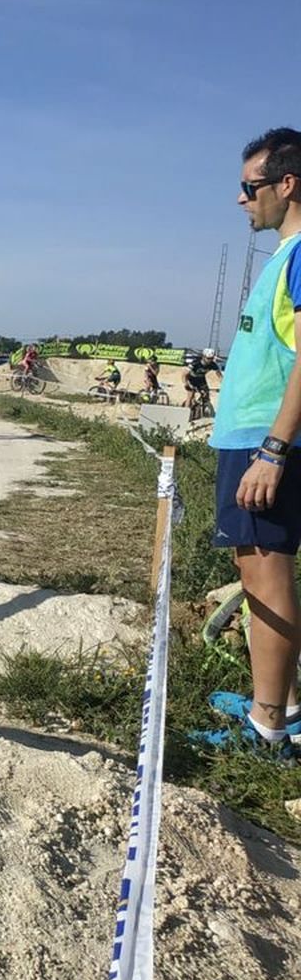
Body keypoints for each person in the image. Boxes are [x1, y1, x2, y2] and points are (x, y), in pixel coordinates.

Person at [194, 127, 301, 755]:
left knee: (267, 572)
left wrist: (274, 449)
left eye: (250, 186)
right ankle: (282, 702)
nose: (241, 199)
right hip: (249, 439)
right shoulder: (283, 258)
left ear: (288, 184)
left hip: (267, 444)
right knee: (254, 569)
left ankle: (266, 729)